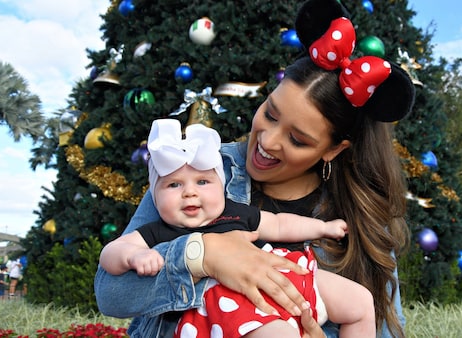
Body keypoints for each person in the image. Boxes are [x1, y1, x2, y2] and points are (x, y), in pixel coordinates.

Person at [94, 0, 416, 337]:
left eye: (297, 140)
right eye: (271, 113)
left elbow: (383, 325)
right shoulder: (198, 169)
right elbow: (111, 291)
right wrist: (202, 255)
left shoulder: (359, 216)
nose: (268, 140)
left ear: (334, 149)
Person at [100, 121, 375, 337]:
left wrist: (323, 227)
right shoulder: (160, 232)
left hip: (288, 275)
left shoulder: (235, 212)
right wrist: (134, 256)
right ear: (154, 196)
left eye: (203, 182)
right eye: (174, 185)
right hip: (237, 307)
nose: (190, 193)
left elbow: (279, 225)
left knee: (360, 301)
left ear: (221, 185)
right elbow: (113, 254)